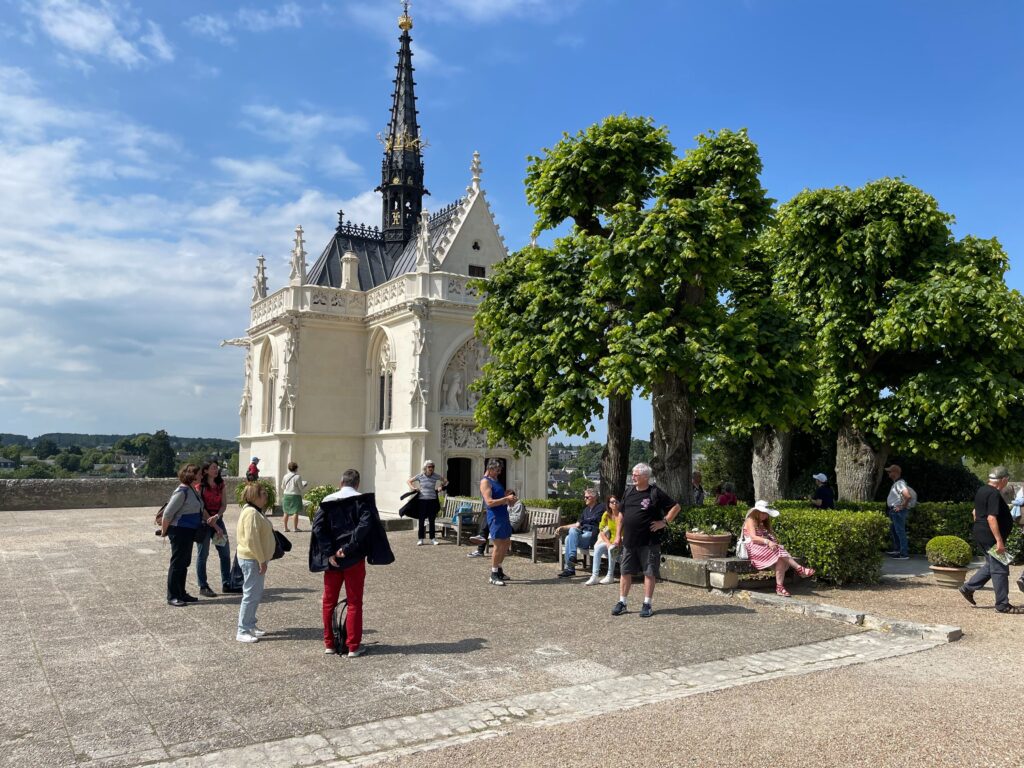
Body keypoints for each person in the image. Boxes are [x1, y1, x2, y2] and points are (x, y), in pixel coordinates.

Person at [311, 469, 395, 656]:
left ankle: (329, 644)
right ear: (357, 484)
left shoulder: (327, 501)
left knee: (329, 602)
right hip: (354, 558)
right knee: (354, 602)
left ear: (341, 482)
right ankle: (353, 646)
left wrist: (329, 552)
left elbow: (317, 527)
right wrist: (348, 548)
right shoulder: (362, 501)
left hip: (332, 560)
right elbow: (364, 527)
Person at [612, 463, 680, 617]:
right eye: (633, 474)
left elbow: (676, 507)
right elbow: (621, 514)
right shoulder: (628, 491)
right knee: (625, 571)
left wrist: (664, 522)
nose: (633, 477)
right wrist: (617, 535)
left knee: (649, 572)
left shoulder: (655, 492)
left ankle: (647, 604)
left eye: (636, 474)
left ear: (645, 477)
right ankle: (622, 602)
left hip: (649, 542)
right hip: (629, 541)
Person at [959, 466, 1024, 614]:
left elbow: (975, 512)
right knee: (1000, 569)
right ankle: (1002, 605)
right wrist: (999, 541)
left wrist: (980, 527)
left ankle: (968, 588)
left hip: (981, 533)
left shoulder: (982, 490)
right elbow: (991, 517)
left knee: (991, 565)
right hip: (991, 537)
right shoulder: (994, 493)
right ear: (1003, 480)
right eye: (1006, 480)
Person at [743, 499, 815, 597]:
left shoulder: (761, 522)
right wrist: (768, 541)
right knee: (779, 552)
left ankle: (780, 587)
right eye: (763, 513)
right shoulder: (750, 520)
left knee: (780, 558)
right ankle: (800, 569)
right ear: (756, 512)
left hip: (763, 548)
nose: (765, 516)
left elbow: (767, 537)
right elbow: (753, 538)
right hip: (753, 548)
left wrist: (772, 541)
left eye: (766, 514)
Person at [235, 481, 276, 643]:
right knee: (250, 594)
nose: (266, 496)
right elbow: (252, 540)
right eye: (263, 493)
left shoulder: (254, 511)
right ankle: (243, 629)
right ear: (255, 496)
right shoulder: (251, 513)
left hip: (253, 558)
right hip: (252, 559)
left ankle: (250, 625)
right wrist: (261, 560)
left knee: (255, 593)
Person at [159, 464, 204, 607]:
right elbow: (167, 514)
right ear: (192, 475)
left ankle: (181, 593)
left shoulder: (191, 489)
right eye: (199, 474)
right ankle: (172, 596)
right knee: (177, 563)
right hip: (179, 531)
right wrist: (164, 531)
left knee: (184, 563)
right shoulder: (182, 490)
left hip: (188, 531)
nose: (202, 476)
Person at [194, 460, 233, 597]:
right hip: (204, 523)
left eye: (217, 468)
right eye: (213, 468)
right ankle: (203, 585)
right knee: (202, 555)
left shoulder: (221, 484)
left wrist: (217, 516)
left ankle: (227, 583)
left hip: (217, 520)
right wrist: (214, 524)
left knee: (225, 553)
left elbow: (224, 504)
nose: (216, 470)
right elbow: (201, 507)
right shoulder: (200, 487)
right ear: (205, 471)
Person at [480, 460, 516, 586]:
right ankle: (493, 574)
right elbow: (489, 502)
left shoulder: (495, 480)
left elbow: (499, 498)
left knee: (506, 542)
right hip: (495, 516)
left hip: (503, 514)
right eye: (497, 470)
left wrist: (507, 498)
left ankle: (499, 569)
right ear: (490, 469)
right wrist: (506, 499)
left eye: (500, 470)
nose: (499, 472)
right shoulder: (486, 482)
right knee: (498, 544)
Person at [555, 488, 605, 578]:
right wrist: (563, 527)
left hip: (593, 535)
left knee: (568, 538)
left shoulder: (601, 507)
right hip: (583, 534)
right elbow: (577, 524)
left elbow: (595, 519)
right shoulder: (585, 510)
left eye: (586, 497)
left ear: (593, 497)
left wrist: (583, 522)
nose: (584, 499)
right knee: (570, 535)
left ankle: (570, 568)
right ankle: (572, 558)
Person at [408, 460, 448, 546]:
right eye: (429, 467)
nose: (431, 468)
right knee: (421, 520)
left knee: (431, 520)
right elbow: (409, 481)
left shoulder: (435, 476)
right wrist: (414, 488)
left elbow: (446, 481)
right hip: (422, 501)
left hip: (432, 501)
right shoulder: (420, 476)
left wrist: (441, 486)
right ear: (425, 468)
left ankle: (433, 539)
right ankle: (421, 539)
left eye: (432, 467)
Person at [584, 495, 621, 585]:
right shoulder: (606, 514)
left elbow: (620, 535)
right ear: (609, 504)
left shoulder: (621, 515)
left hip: (621, 543)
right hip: (611, 541)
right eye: (612, 502)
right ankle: (594, 576)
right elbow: (601, 531)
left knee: (612, 549)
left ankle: (610, 576)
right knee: (598, 548)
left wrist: (614, 543)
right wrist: (608, 543)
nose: (614, 504)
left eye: (616, 501)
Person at [884, 464, 913, 559]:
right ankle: (897, 550)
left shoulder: (900, 483)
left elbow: (908, 496)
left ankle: (903, 554)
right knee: (895, 531)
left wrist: (901, 507)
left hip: (897, 511)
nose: (888, 473)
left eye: (890, 471)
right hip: (894, 511)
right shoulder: (897, 483)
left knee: (899, 531)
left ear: (895, 473)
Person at [281, 461, 308, 533]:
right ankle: (295, 528)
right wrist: (304, 484)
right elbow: (301, 488)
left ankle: (285, 528)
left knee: (286, 511)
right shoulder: (298, 477)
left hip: (286, 495)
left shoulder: (285, 476)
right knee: (295, 511)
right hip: (295, 495)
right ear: (296, 468)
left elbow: (282, 487)